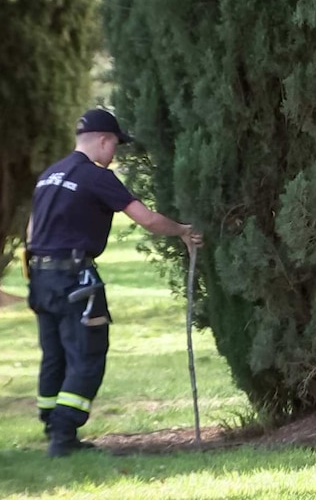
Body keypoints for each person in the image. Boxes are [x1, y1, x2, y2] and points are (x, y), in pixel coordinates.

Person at [26, 108, 203, 458]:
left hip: (41, 278)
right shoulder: (96, 177)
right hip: (75, 278)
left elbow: (32, 230)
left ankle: (53, 426)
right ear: (104, 140)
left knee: (55, 354)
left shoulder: (50, 175)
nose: (115, 155)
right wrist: (183, 231)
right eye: (116, 146)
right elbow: (147, 219)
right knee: (87, 354)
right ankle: (63, 435)